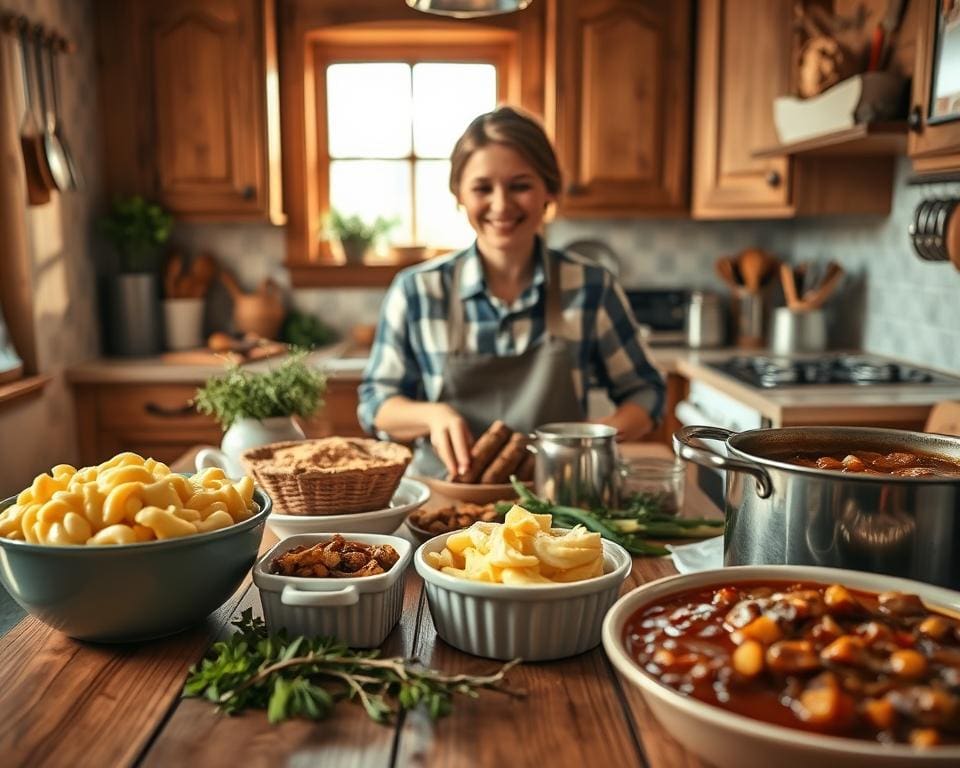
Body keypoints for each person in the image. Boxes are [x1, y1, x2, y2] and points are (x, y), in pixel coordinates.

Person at [358, 106, 664, 479]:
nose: (501, 205)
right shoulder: (418, 291)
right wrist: (434, 415)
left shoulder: (591, 287)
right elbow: (377, 404)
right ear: (459, 194)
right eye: (482, 188)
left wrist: (591, 440)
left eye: (520, 185)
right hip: (447, 504)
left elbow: (646, 393)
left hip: (559, 503)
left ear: (548, 190)